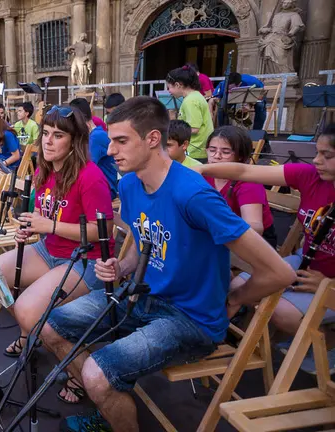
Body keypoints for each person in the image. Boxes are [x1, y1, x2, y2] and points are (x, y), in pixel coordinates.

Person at [43, 97, 295, 431]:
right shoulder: (130, 182)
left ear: (151, 139)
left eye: (121, 141)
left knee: (97, 373)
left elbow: (280, 272)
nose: (110, 150)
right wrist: (122, 267)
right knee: (48, 326)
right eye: (111, 140)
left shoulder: (193, 194)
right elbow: (143, 243)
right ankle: (110, 405)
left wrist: (234, 299)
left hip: (190, 319)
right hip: (143, 297)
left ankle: (108, 396)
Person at [0, 104, 114, 404]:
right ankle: (30, 332)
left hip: (86, 260)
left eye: (57, 135)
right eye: (45, 133)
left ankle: (77, 369)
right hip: (51, 250)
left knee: (26, 309)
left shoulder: (90, 177)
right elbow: (41, 213)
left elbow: (105, 232)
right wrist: (31, 227)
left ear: (74, 141)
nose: (47, 141)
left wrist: (49, 224)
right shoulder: (44, 170)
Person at [195, 123, 335, 341]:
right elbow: (244, 171)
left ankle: (326, 347)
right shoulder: (311, 176)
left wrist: (327, 284)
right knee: (239, 287)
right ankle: (216, 335)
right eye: (317, 153)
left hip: (329, 280)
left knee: (280, 311)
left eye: (327, 155)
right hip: (306, 262)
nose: (316, 160)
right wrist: (202, 169)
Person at [202, 126, 276, 245]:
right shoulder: (204, 174)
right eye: (212, 150)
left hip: (256, 243)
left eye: (225, 152)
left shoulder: (248, 182)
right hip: (218, 232)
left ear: (240, 156)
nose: (216, 156)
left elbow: (255, 228)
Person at [165, 65, 214, 163]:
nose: (168, 91)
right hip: (198, 148)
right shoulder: (196, 96)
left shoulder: (190, 101)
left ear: (178, 85)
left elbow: (194, 128)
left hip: (195, 150)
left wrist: (172, 132)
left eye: (169, 87)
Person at [73, 98, 118, 199]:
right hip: (94, 185)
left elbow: (84, 168)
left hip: (105, 188)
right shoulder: (92, 135)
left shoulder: (96, 137)